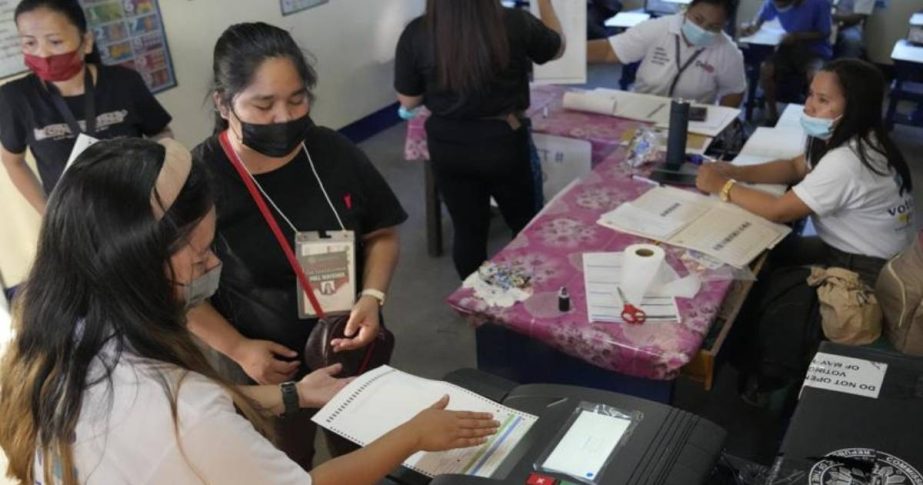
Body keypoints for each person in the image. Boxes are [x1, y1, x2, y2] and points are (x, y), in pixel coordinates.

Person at [0, 137, 499, 485]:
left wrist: (293, 393)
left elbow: (179, 416)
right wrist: (413, 435)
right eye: (199, 253)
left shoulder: (54, 339)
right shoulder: (182, 411)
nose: (212, 263)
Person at [189, 22, 408, 470]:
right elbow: (173, 292)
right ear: (223, 103)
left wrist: (372, 296)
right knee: (287, 465)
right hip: (270, 371)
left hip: (349, 346)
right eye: (263, 104)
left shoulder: (332, 150)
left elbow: (381, 232)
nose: (284, 118)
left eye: (297, 98)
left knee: (365, 455)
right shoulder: (200, 180)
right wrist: (237, 348)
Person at [696, 58, 914, 285]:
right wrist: (736, 171)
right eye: (810, 94)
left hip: (867, 267)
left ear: (855, 107)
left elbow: (778, 211)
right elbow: (795, 167)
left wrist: (722, 186)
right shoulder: (858, 136)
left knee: (764, 276)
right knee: (768, 251)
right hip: (854, 247)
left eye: (823, 100)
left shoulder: (848, 160)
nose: (809, 106)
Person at [394, 0, 565, 279]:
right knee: (525, 224)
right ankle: (526, 300)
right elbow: (556, 47)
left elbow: (408, 99)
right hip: (503, 142)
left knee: (468, 230)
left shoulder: (416, 32)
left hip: (447, 145)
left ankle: (477, 306)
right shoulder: (515, 22)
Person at [0, 0, 172, 214]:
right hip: (75, 221)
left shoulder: (124, 82)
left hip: (139, 209)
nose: (43, 54)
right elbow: (12, 161)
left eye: (55, 41)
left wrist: (163, 187)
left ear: (86, 42)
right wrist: (48, 213)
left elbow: (161, 134)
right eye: (29, 43)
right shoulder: (15, 97)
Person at [587, 0, 747, 107]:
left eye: (713, 27)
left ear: (724, 26)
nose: (702, 29)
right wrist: (566, 52)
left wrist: (720, 122)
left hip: (691, 122)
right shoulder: (657, 28)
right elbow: (609, 50)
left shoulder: (728, 52)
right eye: (698, 19)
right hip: (643, 112)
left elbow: (734, 91)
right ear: (687, 9)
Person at [740, 0, 833, 121]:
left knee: (814, 75)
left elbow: (825, 32)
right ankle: (772, 115)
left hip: (814, 50)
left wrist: (797, 36)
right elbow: (759, 20)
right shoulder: (772, 2)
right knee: (766, 70)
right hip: (786, 48)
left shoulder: (819, 3)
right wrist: (751, 27)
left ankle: (811, 116)